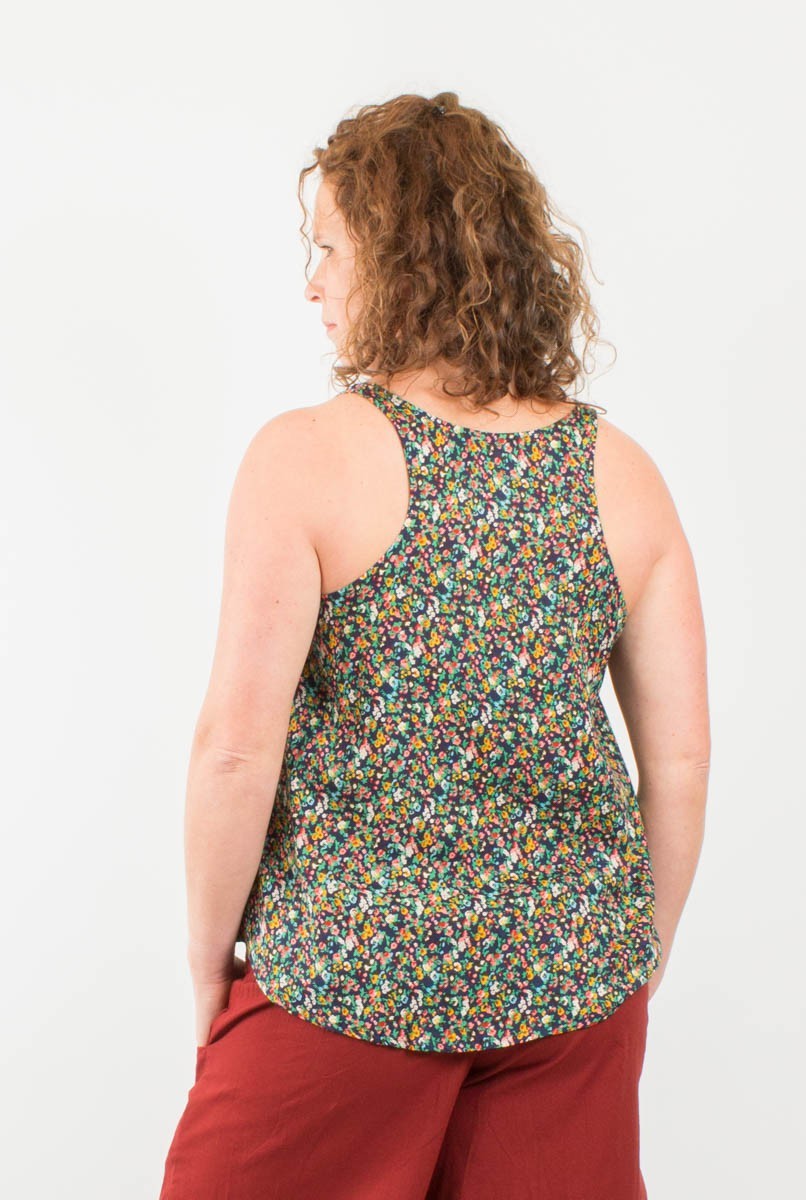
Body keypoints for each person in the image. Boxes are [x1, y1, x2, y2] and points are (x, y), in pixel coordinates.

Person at [158, 91, 710, 1200]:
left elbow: (234, 750)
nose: (312, 282)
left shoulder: (306, 459)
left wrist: (210, 962)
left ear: (398, 258)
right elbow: (683, 761)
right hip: (571, 994)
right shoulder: (623, 476)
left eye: (327, 249)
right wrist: (626, 961)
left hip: (340, 985)